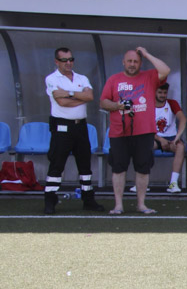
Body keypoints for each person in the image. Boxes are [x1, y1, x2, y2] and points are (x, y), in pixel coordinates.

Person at [99, 47, 170, 214]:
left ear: (140, 63)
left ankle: (141, 204)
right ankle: (118, 205)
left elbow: (165, 70)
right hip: (119, 132)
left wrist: (146, 54)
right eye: (129, 61)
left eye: (136, 61)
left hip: (144, 131)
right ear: (123, 62)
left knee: (143, 168)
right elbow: (103, 102)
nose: (132, 64)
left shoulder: (149, 76)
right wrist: (118, 105)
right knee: (118, 168)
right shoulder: (114, 79)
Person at [42, 47, 105, 214]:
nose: (68, 63)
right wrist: (79, 96)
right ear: (57, 62)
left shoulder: (81, 78)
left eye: (71, 59)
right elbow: (61, 102)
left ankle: (88, 199)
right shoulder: (51, 78)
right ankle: (50, 199)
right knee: (57, 164)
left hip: (80, 126)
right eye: (64, 60)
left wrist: (69, 93)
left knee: (85, 165)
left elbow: (90, 97)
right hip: (62, 126)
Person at [152, 82, 187, 192]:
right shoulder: (148, 105)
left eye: (165, 92)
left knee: (181, 147)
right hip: (155, 138)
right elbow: (144, 127)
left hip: (171, 138)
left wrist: (177, 137)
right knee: (143, 147)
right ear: (154, 92)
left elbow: (183, 119)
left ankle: (173, 183)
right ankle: (142, 183)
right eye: (160, 92)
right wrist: (160, 139)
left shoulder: (172, 103)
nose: (162, 95)